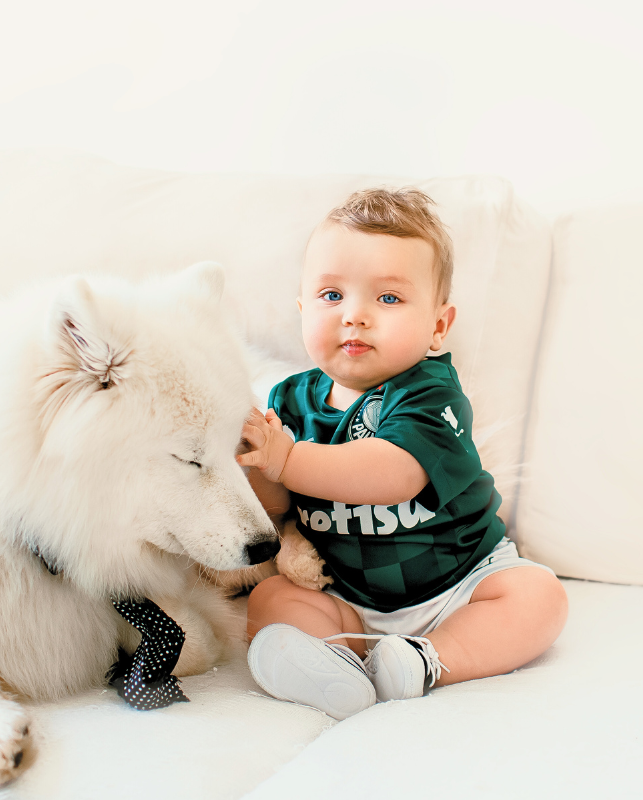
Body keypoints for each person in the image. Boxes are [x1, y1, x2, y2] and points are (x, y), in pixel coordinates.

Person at [237, 188, 568, 720]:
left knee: (539, 598)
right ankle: (339, 665)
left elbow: (395, 472)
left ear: (438, 326)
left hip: (459, 582)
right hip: (350, 595)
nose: (355, 316)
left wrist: (288, 460)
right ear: (302, 308)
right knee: (271, 600)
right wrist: (255, 464)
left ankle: (430, 658)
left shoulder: (429, 392)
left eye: (387, 299)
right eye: (331, 296)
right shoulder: (289, 402)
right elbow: (278, 509)